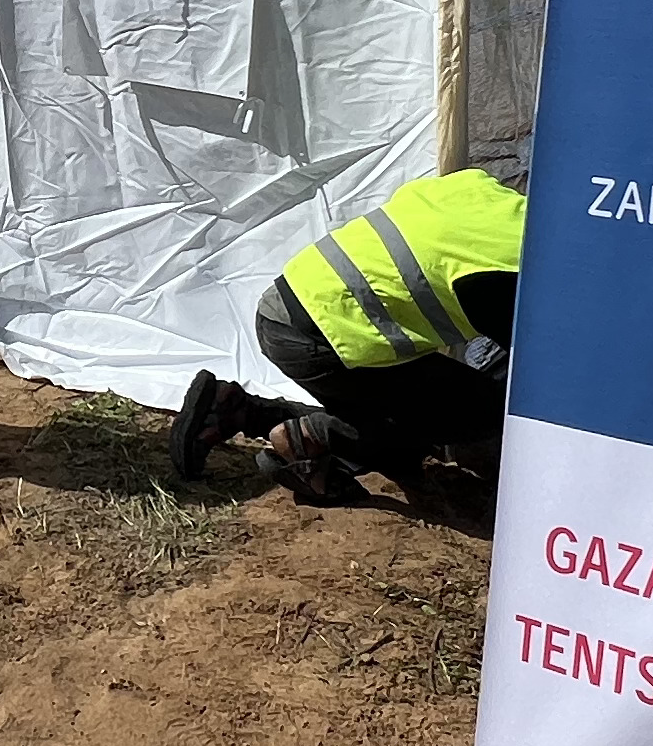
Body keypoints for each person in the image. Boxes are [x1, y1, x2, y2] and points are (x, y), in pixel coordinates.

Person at [171, 166, 526, 505]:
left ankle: (237, 410)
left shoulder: (486, 191)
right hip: (319, 340)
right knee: (475, 414)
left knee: (413, 404)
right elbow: (538, 381)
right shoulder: (512, 277)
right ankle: (310, 439)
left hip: (287, 303)